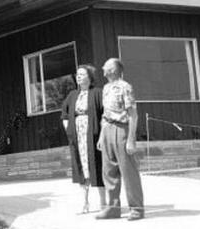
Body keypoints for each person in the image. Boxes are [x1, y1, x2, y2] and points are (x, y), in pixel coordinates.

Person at [95, 58, 144, 220]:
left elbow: (133, 115)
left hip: (121, 129)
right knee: (108, 171)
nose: (103, 68)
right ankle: (113, 208)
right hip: (107, 129)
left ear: (113, 70)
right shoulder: (106, 88)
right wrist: (102, 136)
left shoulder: (125, 87)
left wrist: (131, 140)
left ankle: (136, 208)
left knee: (128, 171)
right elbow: (105, 114)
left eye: (106, 66)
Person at [61, 64, 106, 213]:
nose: (78, 76)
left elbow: (104, 115)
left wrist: (102, 135)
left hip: (93, 135)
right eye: (77, 74)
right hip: (77, 136)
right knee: (81, 167)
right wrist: (69, 130)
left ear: (90, 77)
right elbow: (65, 114)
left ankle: (103, 203)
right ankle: (85, 203)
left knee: (97, 165)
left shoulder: (98, 93)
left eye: (82, 74)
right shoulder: (72, 95)